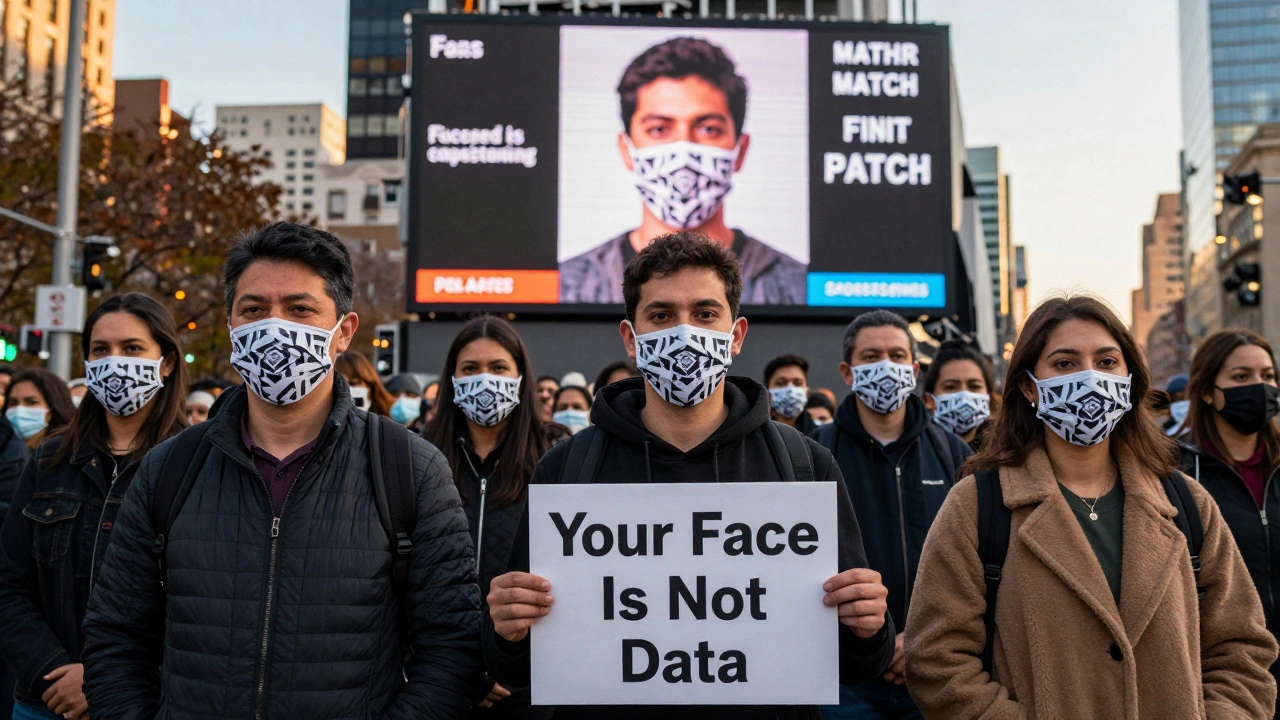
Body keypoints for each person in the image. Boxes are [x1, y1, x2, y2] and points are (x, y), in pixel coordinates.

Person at [80, 222, 482, 719]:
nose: (274, 326)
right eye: (253, 310)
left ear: (344, 332)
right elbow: (115, 637)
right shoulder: (169, 468)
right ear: (230, 326)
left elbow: (451, 647)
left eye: (300, 309)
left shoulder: (410, 469)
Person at [485, 232, 893, 719]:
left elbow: (854, 662)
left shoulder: (804, 468)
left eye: (704, 314)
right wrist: (507, 629)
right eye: (661, 316)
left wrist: (869, 625)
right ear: (630, 339)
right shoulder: (567, 471)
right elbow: (522, 667)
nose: (684, 332)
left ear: (736, 335)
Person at [904, 296, 1278, 718]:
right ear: (1029, 386)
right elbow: (937, 659)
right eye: (1064, 364)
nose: (1090, 378)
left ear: (1130, 379)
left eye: (1106, 361)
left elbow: (1241, 645)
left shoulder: (1187, 503)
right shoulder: (977, 505)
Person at [0, 292, 189, 720]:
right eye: (100, 350)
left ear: (167, 362)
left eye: (132, 348)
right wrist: (51, 667)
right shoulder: (48, 462)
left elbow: (200, 602)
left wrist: (101, 677)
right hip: (46, 701)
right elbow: (10, 582)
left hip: (143, 702)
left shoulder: (193, 464)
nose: (114, 361)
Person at [558, 37, 806, 305]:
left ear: (740, 150)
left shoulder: (795, 285)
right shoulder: (571, 284)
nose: (683, 149)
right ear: (627, 149)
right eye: (659, 129)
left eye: (708, 128)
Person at [813, 310, 970, 720]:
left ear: (915, 370)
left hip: (935, 672)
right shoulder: (814, 454)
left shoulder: (953, 454)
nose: (886, 366)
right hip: (848, 680)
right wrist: (873, 643)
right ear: (848, 372)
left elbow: (972, 565)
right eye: (871, 356)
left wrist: (918, 641)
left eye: (897, 356)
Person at [422, 316, 550, 718]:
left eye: (498, 368)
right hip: (437, 686)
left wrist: (507, 660)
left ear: (519, 376)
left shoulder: (555, 458)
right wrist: (461, 671)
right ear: (453, 379)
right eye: (470, 369)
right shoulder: (418, 458)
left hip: (529, 689)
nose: (484, 380)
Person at [1180, 328, 1280, 702]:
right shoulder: (1179, 476)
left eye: (1267, 376)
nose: (1260, 387)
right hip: (1223, 679)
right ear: (1207, 391)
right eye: (1241, 377)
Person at [920, 340, 997, 450]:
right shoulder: (916, 451)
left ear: (988, 398)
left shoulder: (1005, 455)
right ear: (929, 400)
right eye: (951, 387)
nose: (964, 396)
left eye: (974, 386)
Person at [3, 369, 75, 450]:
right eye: (13, 403)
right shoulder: (4, 448)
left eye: (32, 402)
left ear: (54, 406)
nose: (19, 409)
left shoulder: (69, 453)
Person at [764, 353, 817, 434]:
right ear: (767, 391)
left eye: (797, 383)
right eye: (781, 383)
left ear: (807, 392)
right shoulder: (755, 435)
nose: (790, 389)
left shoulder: (820, 437)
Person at [336, 351, 395, 415]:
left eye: (354, 383)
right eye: (341, 385)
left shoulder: (388, 421)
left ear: (370, 384)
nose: (348, 389)